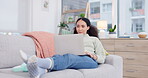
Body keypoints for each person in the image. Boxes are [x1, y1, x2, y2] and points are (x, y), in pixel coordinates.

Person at [20, 18, 107, 78]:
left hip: (90, 61)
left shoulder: (94, 39)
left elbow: (102, 58)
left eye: (82, 26)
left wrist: (93, 56)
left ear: (88, 27)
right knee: (66, 57)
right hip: (74, 58)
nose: (79, 29)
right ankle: (40, 72)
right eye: (77, 26)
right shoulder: (71, 38)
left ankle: (36, 60)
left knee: (70, 58)